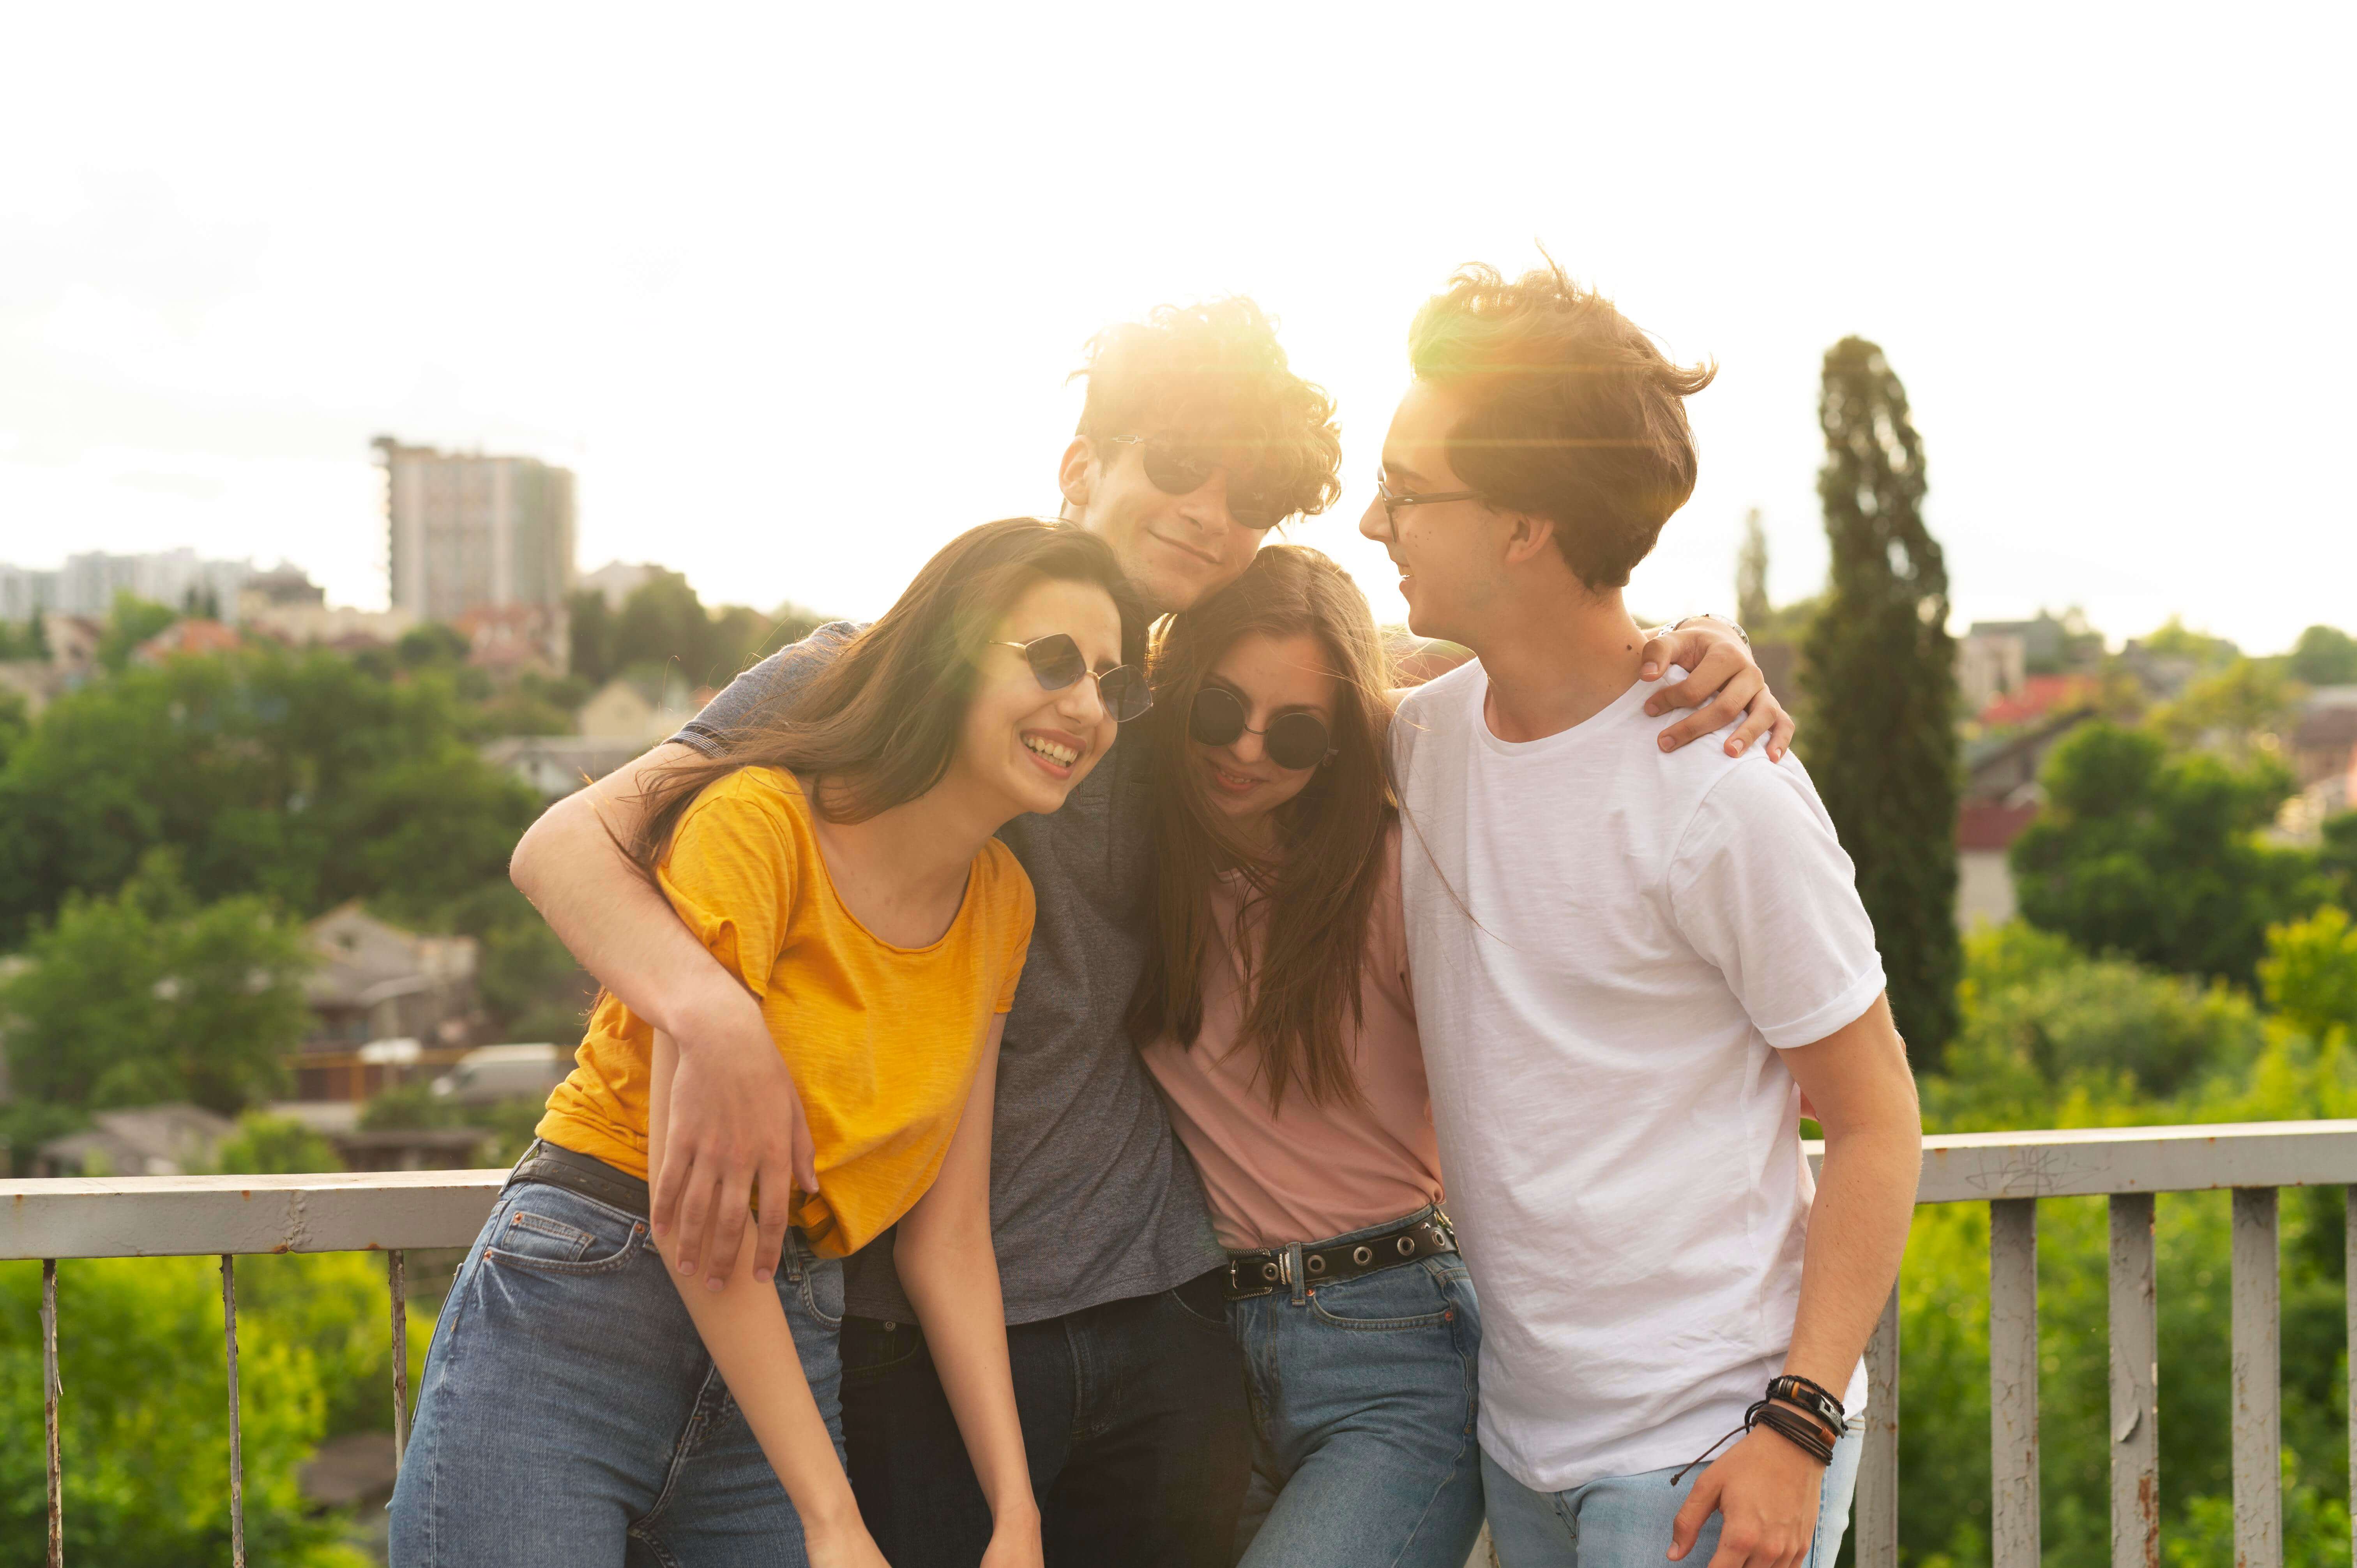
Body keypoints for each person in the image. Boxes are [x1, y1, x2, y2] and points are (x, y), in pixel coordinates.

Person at [507, 298, 1792, 1566]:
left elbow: (1498, 657)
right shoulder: (863, 678)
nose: (1207, 513)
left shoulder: (1192, 712)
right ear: (1081, 467)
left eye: (1250, 500)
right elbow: (565, 847)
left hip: (1169, 1318)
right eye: (1179, 465)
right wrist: (709, 1009)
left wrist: (1692, 647)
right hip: (924, 1334)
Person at [390, 518, 1144, 1568]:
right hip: (585, 1308)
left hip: (786, 1339)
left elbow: (950, 1235)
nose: (1088, 707)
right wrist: (831, 1521)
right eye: (1055, 661)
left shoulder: (1002, 904)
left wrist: (1015, 1514)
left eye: (1113, 683)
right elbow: (699, 1215)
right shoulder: (758, 822)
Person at [1365, 262, 1925, 1568]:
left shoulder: (1724, 792)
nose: (1371, 520)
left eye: (1407, 488)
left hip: (1708, 1456)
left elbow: (1879, 1116)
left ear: (1525, 527)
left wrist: (1797, 1426)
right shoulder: (1423, 739)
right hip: (1524, 1442)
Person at [1131, 544, 1482, 1567]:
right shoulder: (1146, 853)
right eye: (1216, 710)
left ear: (1339, 744)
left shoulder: (1393, 877)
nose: (1243, 750)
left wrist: (1700, 642)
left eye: (1292, 732)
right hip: (1207, 1366)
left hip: (1396, 1350)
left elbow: (1562, 689)